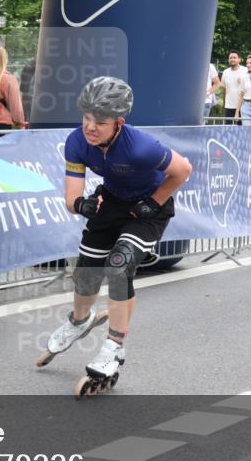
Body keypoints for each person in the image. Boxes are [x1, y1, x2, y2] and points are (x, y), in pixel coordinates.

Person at [37, 77, 193, 396]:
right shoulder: (77, 142)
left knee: (119, 266)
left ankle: (113, 348)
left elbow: (184, 170)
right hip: (110, 200)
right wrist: (84, 205)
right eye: (86, 118)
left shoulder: (140, 147)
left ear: (119, 122)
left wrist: (154, 202)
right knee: (86, 274)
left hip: (146, 208)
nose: (91, 127)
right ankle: (79, 320)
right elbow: (71, 199)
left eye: (101, 122)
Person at [219, 51, 246, 125]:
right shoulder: (225, 72)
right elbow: (224, 88)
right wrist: (224, 103)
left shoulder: (245, 71)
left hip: (243, 106)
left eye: (234, 57)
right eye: (230, 58)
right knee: (228, 129)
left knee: (241, 129)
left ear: (239, 59)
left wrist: (242, 83)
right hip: (229, 106)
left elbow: (250, 88)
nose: (232, 59)